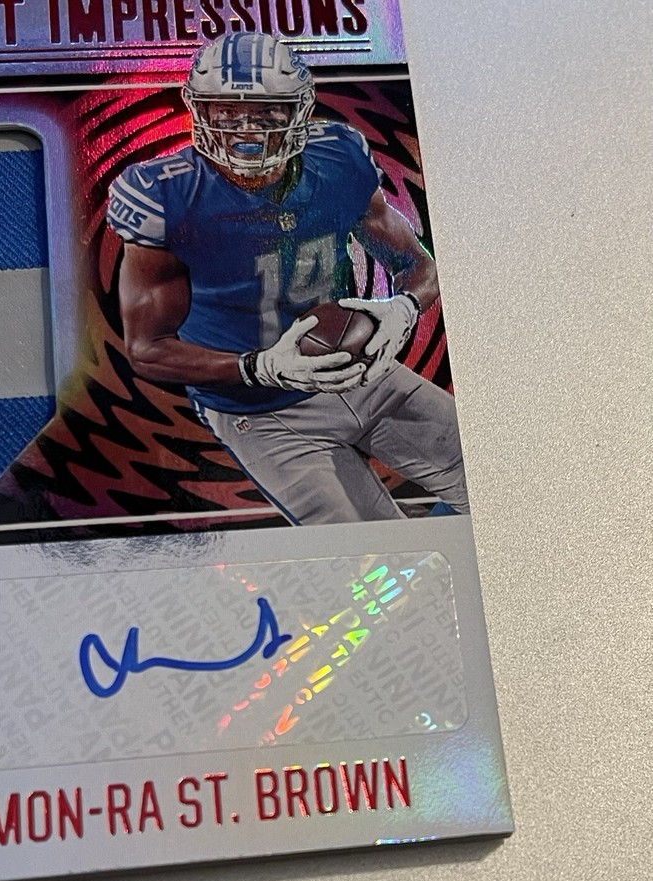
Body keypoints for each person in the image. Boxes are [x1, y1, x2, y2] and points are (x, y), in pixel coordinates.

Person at [107, 32, 469, 525]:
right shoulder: (166, 196)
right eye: (226, 112)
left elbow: (419, 266)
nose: (246, 130)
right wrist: (261, 367)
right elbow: (146, 349)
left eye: (266, 111)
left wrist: (402, 309)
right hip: (258, 412)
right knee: (371, 552)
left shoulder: (338, 157)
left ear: (298, 111)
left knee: (505, 484)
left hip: (362, 371)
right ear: (199, 110)